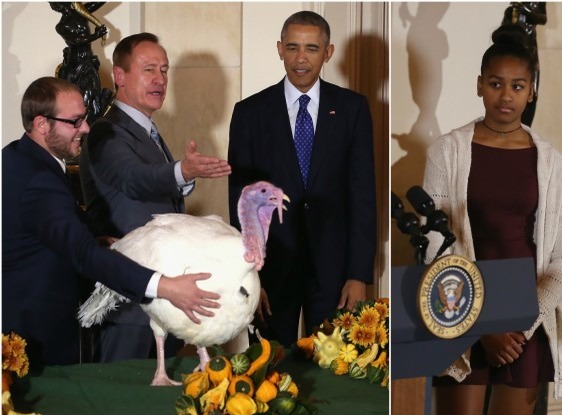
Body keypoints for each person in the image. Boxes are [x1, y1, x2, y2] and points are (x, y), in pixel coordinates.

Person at [422, 25, 562, 415]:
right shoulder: (448, 151)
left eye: (517, 85)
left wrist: (522, 325)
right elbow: (435, 247)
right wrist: (482, 325)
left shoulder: (551, 162)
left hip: (525, 316)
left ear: (531, 91)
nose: (506, 95)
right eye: (496, 84)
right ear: (479, 85)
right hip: (461, 307)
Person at [1, 77, 221, 370]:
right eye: (75, 121)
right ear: (42, 124)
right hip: (37, 336)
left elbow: (53, 230)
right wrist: (165, 286)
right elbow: (83, 255)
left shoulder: (16, 156)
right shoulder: (41, 179)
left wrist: (97, 240)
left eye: (86, 118)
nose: (86, 128)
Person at [79, 32, 232, 363]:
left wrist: (182, 177)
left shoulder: (147, 131)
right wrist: (182, 173)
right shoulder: (107, 130)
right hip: (128, 307)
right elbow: (133, 179)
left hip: (161, 305)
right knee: (121, 404)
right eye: (149, 69)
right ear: (120, 76)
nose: (159, 79)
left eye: (164, 70)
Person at [227, 11, 377, 347]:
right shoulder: (250, 113)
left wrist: (358, 275)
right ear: (279, 49)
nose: (301, 58)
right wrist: (249, 274)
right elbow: (241, 202)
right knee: (270, 372)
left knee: (335, 370)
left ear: (328, 52)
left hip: (335, 271)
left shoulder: (352, 109)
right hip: (272, 270)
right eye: (292, 47)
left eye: (311, 48)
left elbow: (363, 195)